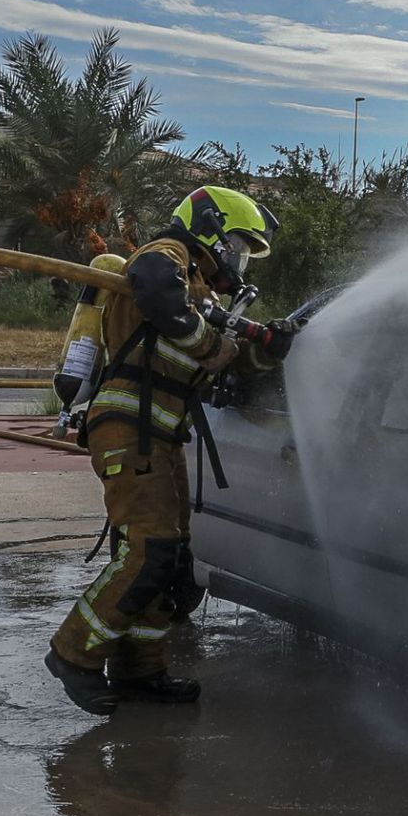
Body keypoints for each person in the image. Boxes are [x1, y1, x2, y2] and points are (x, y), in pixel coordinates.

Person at [46, 186, 297, 715]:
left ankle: (140, 671)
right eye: (238, 244)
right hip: (129, 429)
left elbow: (224, 368)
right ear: (209, 226)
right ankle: (74, 653)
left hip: (160, 437)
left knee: (173, 562)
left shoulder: (200, 291)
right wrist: (214, 341)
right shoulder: (168, 257)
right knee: (149, 551)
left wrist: (271, 347)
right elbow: (158, 290)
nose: (240, 258)